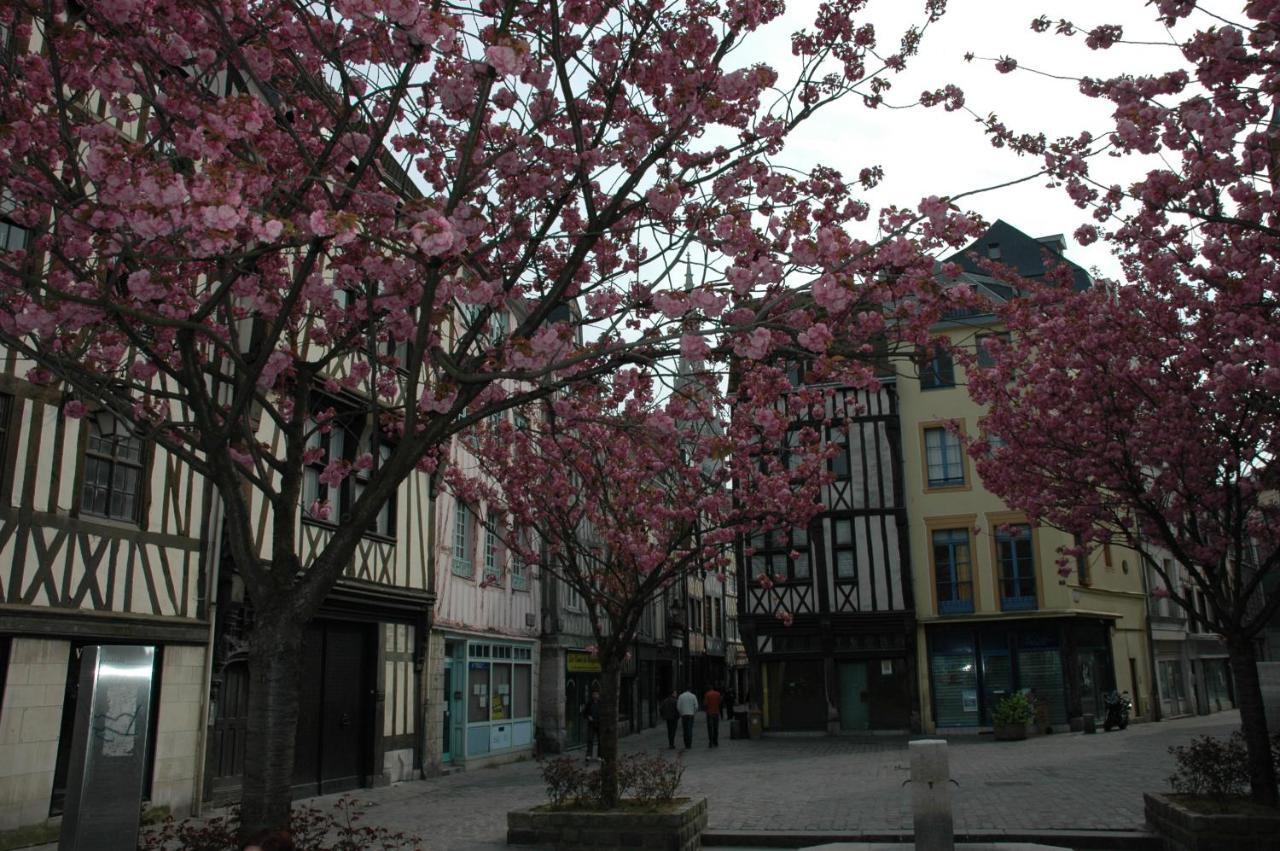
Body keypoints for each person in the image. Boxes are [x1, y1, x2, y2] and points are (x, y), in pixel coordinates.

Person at [581, 686, 601, 760]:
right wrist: (588, 716)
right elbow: (584, 713)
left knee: (600, 740)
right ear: (592, 695)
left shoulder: (601, 703)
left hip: (599, 723)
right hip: (591, 724)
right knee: (590, 739)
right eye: (594, 694)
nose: (595, 695)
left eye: (596, 694)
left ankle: (599, 755)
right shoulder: (589, 703)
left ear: (598, 695)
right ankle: (589, 755)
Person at [677, 684, 698, 749]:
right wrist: (694, 712)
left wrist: (681, 713)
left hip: (684, 715)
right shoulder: (693, 696)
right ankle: (689, 744)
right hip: (691, 714)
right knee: (690, 729)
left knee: (685, 729)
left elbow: (678, 706)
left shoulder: (681, 696)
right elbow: (696, 706)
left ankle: (686, 743)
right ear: (690, 689)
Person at [703, 683, 722, 747]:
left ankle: (710, 742)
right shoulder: (718, 694)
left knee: (710, 728)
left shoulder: (707, 694)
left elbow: (705, 704)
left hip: (709, 713)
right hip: (716, 712)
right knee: (716, 727)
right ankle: (716, 741)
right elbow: (720, 702)